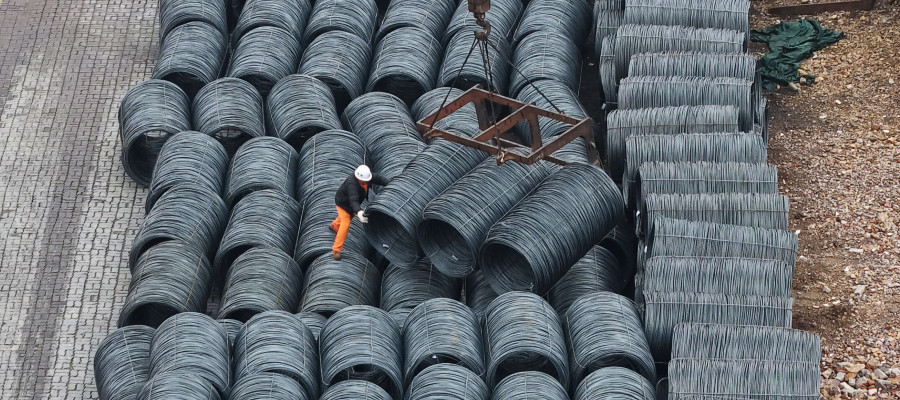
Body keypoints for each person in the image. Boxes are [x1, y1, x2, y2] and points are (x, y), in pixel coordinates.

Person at [331, 165, 389, 260]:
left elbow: (379, 179)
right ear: (358, 178)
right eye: (364, 181)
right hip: (343, 204)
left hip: (351, 206)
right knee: (345, 224)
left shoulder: (366, 178)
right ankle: (336, 250)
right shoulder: (352, 184)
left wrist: (390, 183)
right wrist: (358, 212)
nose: (366, 182)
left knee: (349, 217)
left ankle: (334, 225)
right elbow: (353, 199)